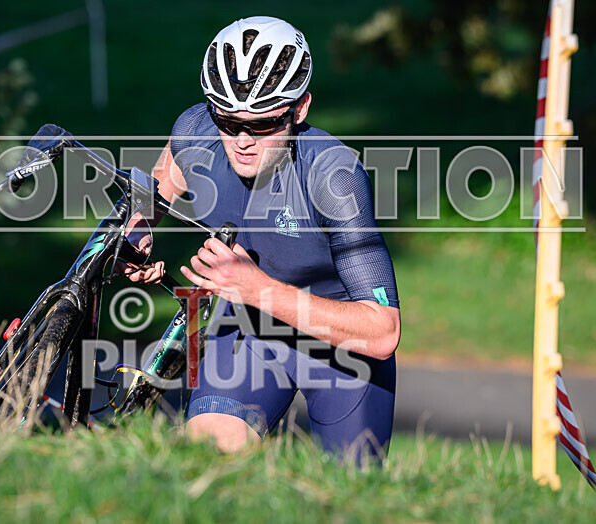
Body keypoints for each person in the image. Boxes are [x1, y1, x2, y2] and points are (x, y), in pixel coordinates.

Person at [124, 16, 400, 465]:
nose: (243, 141)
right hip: (250, 335)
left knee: (348, 498)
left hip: (340, 349)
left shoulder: (334, 177)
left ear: (300, 108)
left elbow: (383, 331)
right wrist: (138, 230)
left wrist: (259, 290)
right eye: (229, 122)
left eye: (265, 124)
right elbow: (161, 177)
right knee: (204, 461)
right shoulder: (197, 129)